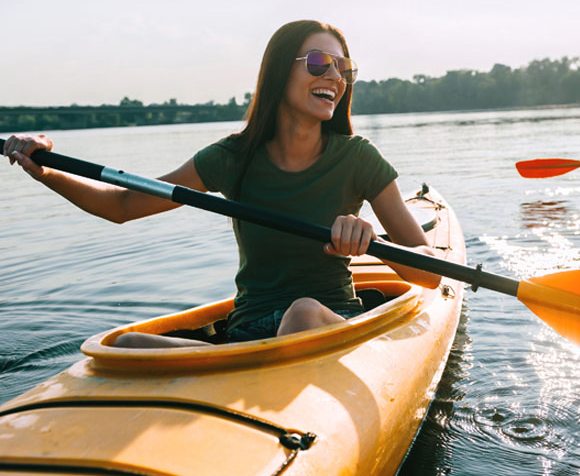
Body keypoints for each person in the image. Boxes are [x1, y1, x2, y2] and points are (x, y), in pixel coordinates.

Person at [3, 20, 442, 348]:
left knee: (303, 312)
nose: (335, 76)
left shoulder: (358, 158)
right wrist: (44, 169)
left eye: (344, 68)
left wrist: (369, 241)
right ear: (278, 72)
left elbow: (427, 272)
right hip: (247, 332)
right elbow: (121, 205)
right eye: (318, 62)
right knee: (123, 344)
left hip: (327, 321)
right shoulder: (233, 157)